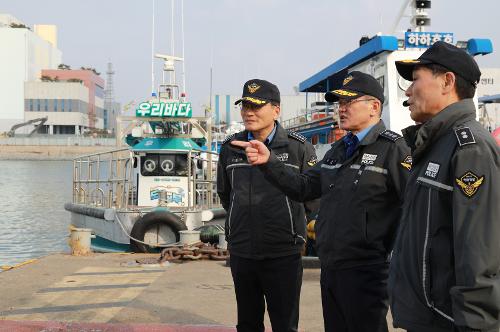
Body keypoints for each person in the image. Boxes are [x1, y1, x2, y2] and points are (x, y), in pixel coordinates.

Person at [232, 72, 411, 332]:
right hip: (332, 268)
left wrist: (398, 264)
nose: (341, 108)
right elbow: (303, 187)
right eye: (339, 103)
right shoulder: (339, 150)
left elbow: (413, 208)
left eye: (349, 102)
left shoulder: (393, 149)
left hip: (368, 271)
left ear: (374, 107)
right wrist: (268, 162)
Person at [389, 41, 500, 332]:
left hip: (448, 322)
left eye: (415, 81)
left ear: (447, 82)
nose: (408, 92)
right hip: (428, 317)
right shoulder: (436, 144)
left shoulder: (469, 149)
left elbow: (479, 255)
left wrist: (476, 326)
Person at [216, 79, 318, 332]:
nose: (249, 112)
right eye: (245, 105)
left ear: (276, 110)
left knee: (284, 325)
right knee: (248, 324)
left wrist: (293, 229)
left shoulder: (298, 147)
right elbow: (225, 194)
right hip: (242, 251)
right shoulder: (231, 148)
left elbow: (311, 197)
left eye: (257, 106)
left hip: (283, 252)